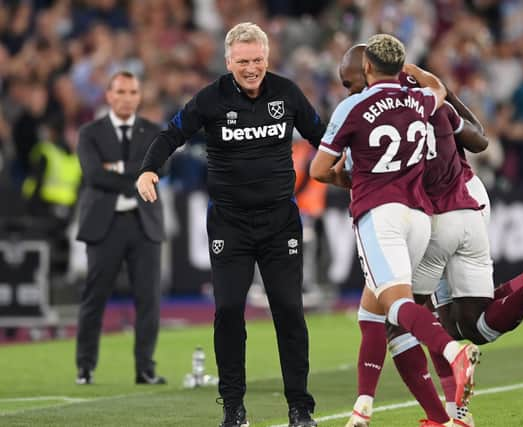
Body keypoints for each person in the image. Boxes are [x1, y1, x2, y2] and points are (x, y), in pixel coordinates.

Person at [336, 45, 523, 427]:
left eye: (351, 82)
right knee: (473, 324)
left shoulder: (371, 115)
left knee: (407, 320)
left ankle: (442, 416)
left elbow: (353, 171)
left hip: (430, 218)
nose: (350, 91)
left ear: (369, 69)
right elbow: (480, 140)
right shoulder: (427, 97)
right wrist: (445, 90)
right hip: (471, 202)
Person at [136, 22, 322, 427]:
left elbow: (323, 136)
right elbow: (172, 134)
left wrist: (355, 168)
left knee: (289, 310)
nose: (252, 68)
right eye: (243, 62)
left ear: (267, 58)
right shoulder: (210, 98)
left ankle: (300, 408)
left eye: (257, 60)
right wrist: (149, 169)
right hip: (230, 224)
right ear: (228, 61)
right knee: (229, 310)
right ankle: (234, 408)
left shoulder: (287, 93)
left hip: (280, 222)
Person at [310, 34, 480, 427]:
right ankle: (363, 410)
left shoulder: (352, 106)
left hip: (379, 214)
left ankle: (453, 352)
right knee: (372, 316)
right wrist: (413, 71)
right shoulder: (419, 99)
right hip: (419, 217)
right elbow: (438, 88)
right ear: (400, 68)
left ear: (368, 67)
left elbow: (317, 170)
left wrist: (350, 179)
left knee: (399, 306)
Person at [75, 71, 166, 385]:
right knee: (94, 297)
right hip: (104, 224)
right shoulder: (89, 133)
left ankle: (145, 369)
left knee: (149, 299)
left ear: (139, 96)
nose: (127, 97)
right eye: (121, 91)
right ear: (109, 96)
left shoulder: (154, 131)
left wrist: (115, 169)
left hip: (144, 225)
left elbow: (159, 169)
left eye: (132, 92)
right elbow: (93, 176)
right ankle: (84, 368)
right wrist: (137, 173)